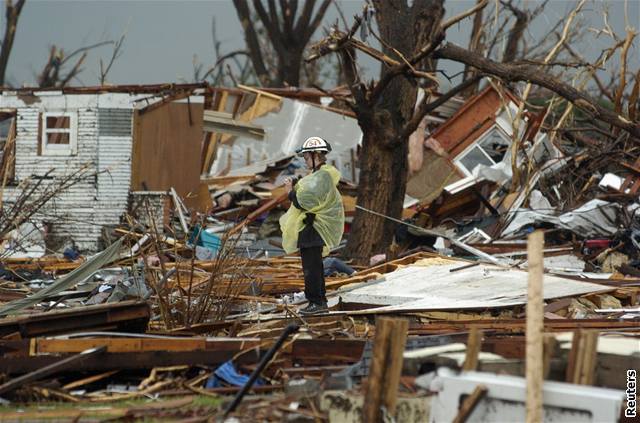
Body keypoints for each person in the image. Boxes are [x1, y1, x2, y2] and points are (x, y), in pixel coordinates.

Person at [279, 136, 345, 315]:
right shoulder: (319, 176)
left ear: (317, 156)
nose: (306, 162)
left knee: (312, 268)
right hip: (310, 229)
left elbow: (304, 202)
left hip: (312, 230)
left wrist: (290, 192)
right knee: (313, 267)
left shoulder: (321, 176)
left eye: (307, 157)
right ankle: (317, 301)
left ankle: (317, 303)